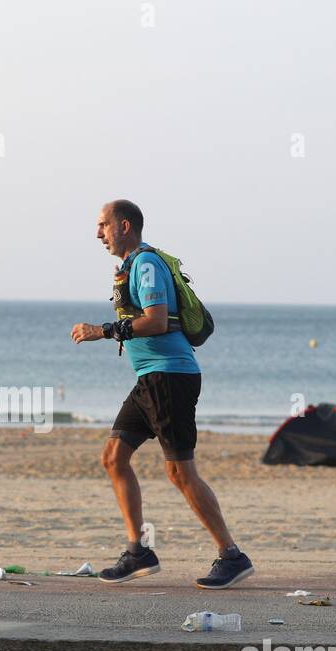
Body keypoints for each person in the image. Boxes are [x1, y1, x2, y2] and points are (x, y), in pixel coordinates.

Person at [71, 199, 254, 589]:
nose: (97, 233)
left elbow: (155, 321)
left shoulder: (147, 265)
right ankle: (138, 552)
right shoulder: (130, 266)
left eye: (102, 225)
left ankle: (231, 555)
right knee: (113, 457)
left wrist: (102, 331)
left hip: (170, 378)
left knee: (179, 472)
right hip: (150, 380)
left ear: (124, 226)